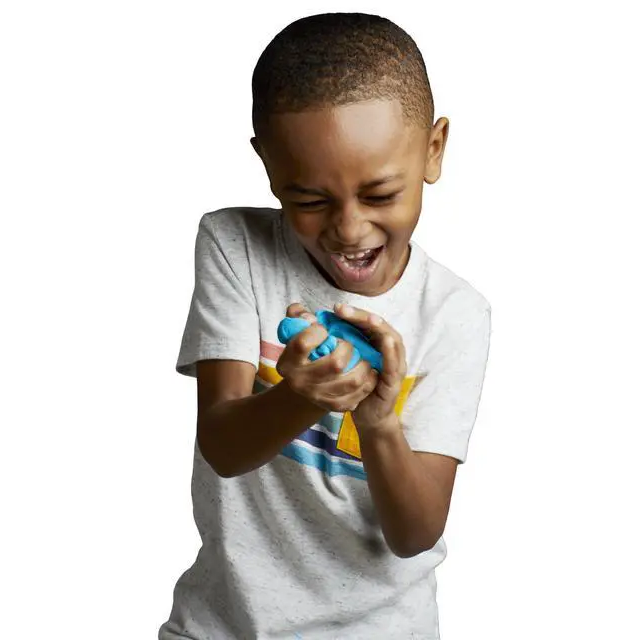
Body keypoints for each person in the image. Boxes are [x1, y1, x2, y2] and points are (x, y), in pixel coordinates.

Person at [159, 11, 492, 640]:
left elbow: (415, 534)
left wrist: (378, 423)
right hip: (219, 627)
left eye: (380, 194)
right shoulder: (235, 246)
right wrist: (301, 398)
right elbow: (224, 448)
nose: (348, 228)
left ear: (434, 150)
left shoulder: (454, 313)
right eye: (310, 200)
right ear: (268, 165)